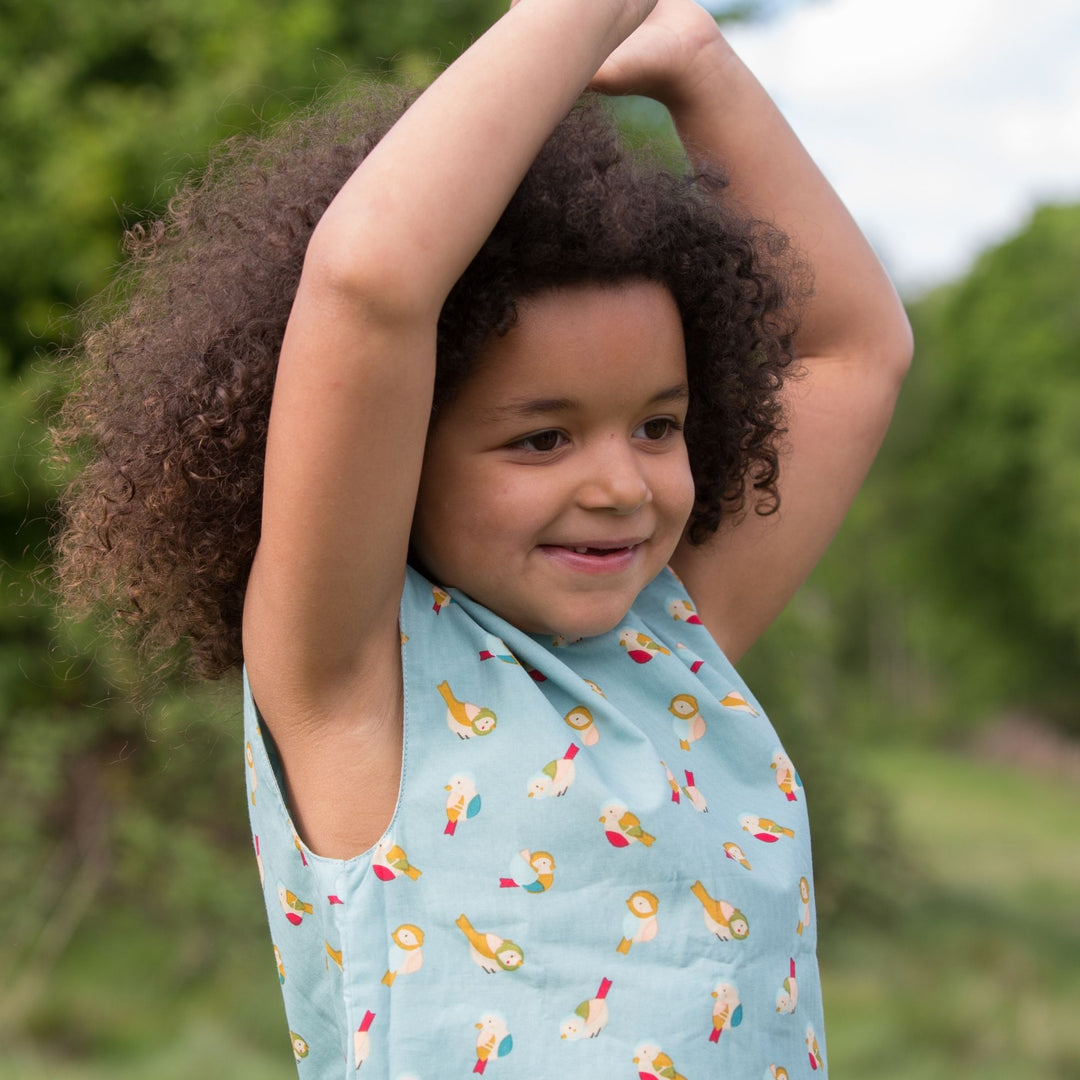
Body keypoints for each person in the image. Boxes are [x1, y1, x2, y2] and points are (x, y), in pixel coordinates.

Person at [54, 0, 912, 1074]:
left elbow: (853, 353)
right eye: (541, 439)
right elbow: (370, 284)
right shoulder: (354, 675)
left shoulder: (672, 647)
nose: (620, 486)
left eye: (658, 425)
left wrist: (697, 65)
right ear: (399, 446)